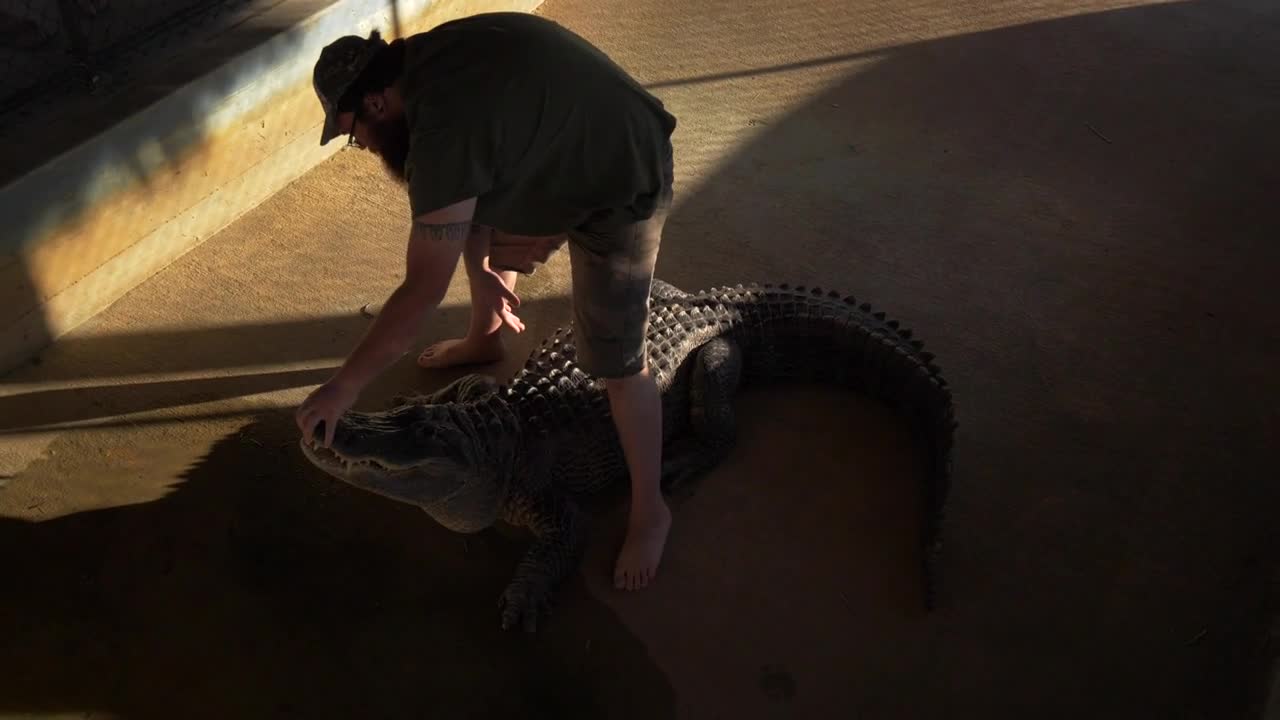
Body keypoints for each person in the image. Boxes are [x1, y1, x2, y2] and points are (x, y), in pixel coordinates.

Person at [295, 12, 678, 591]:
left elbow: (421, 292)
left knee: (619, 364)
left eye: (354, 134)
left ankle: (651, 508)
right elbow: (471, 179)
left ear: (375, 105)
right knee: (462, 211)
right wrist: (488, 260)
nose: (364, 145)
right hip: (567, 143)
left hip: (623, 178)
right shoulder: (420, 60)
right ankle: (486, 333)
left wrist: (343, 387)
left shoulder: (443, 132)